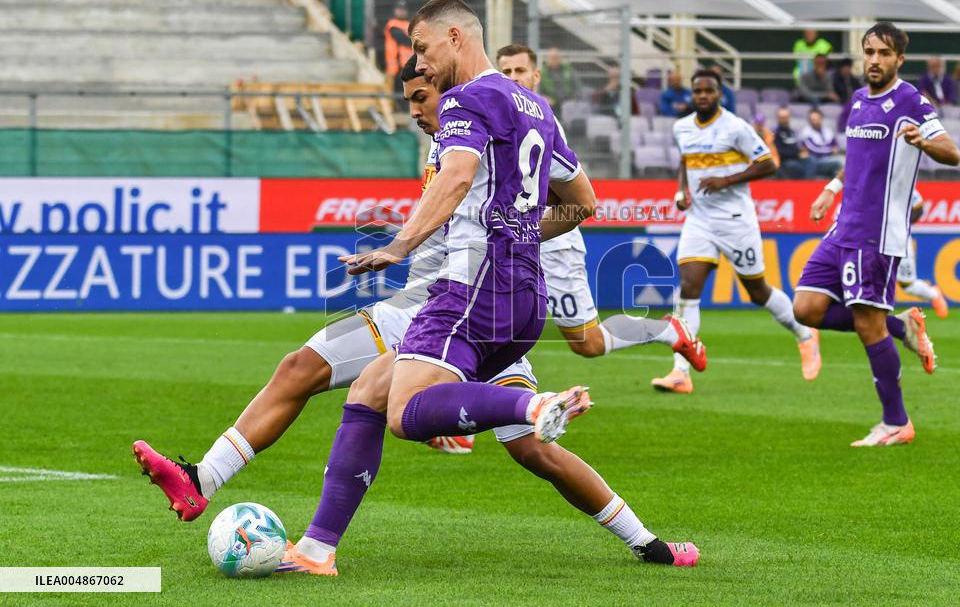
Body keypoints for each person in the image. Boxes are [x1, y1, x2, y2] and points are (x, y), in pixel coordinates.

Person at [134, 52, 701, 571]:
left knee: (530, 444)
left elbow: (568, 202)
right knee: (312, 372)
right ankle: (223, 492)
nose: (413, 112)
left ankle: (642, 538)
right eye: (408, 100)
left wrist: (436, 243)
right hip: (429, 305)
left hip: (465, 305)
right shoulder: (455, 134)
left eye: (420, 98)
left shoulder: (478, 118)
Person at [333, 0, 701, 563]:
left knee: (403, 411)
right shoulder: (537, 109)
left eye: (422, 49)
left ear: (455, 37)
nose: (420, 64)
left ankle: (531, 405)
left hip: (473, 290)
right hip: (520, 291)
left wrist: (399, 245)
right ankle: (649, 544)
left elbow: (457, 176)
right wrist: (521, 232)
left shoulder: (465, 101)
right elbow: (583, 201)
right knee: (378, 394)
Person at [793, 21, 960, 447]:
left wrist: (923, 141)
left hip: (876, 233)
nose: (875, 60)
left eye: (884, 53)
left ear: (899, 59)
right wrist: (831, 189)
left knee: (868, 325)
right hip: (843, 226)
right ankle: (900, 328)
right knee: (806, 308)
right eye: (869, 52)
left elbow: (952, 152)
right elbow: (857, 158)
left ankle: (896, 422)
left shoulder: (910, 100)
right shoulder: (857, 99)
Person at [496, 43, 703, 367]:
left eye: (520, 70)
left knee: (588, 342)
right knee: (491, 327)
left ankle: (665, 330)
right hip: (510, 239)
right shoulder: (499, 118)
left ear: (536, 76)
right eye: (506, 72)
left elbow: (561, 193)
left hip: (552, 243)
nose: (513, 77)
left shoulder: (543, 121)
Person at [652, 68, 821, 394]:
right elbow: (685, 161)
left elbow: (769, 163)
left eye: (709, 91)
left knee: (757, 291)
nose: (703, 96)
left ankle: (804, 334)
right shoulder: (681, 127)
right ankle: (680, 372)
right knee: (689, 288)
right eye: (698, 91)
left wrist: (727, 180)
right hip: (699, 220)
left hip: (735, 220)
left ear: (720, 94)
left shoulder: (735, 127)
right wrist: (681, 191)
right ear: (692, 94)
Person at [897, 189, 949, 319]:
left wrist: (900, 224)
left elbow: (918, 206)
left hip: (899, 240)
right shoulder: (867, 183)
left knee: (908, 285)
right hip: (872, 241)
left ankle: (934, 295)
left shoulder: (900, 182)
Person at [799, 108, 843, 178]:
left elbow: (836, 146)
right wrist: (831, 150)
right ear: (809, 121)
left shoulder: (827, 131)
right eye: (813, 120)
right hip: (816, 160)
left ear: (821, 118)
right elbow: (814, 149)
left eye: (817, 119)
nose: (815, 122)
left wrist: (831, 150)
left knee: (842, 160)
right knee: (840, 161)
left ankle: (837, 183)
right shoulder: (806, 132)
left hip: (829, 159)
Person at [538, 46, 579, 114]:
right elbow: (538, 92)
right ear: (548, 59)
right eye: (552, 58)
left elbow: (577, 86)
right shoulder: (542, 73)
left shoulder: (568, 70)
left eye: (556, 57)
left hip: (567, 102)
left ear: (560, 58)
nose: (554, 60)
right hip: (551, 104)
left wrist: (575, 98)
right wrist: (545, 99)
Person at [383, 0, 412, 91]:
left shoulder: (409, 25)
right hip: (397, 67)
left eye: (403, 9)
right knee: (399, 93)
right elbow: (403, 39)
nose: (401, 12)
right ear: (395, 10)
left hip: (409, 66)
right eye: (399, 9)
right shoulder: (392, 24)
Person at [773, 107, 802, 175]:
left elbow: (795, 147)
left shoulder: (792, 132)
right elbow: (779, 152)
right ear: (777, 118)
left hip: (795, 158)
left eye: (786, 117)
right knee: (794, 165)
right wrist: (797, 153)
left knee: (810, 160)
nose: (784, 120)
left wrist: (801, 151)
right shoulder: (776, 133)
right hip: (784, 161)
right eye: (782, 117)